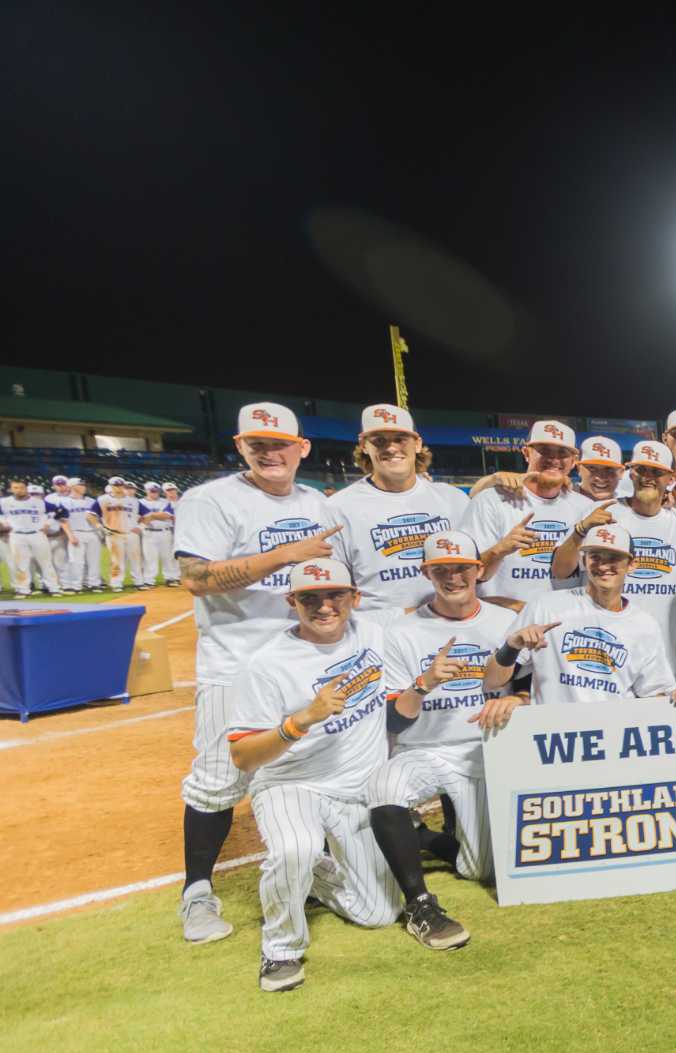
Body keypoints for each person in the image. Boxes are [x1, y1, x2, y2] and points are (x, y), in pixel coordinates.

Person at [224, 559, 469, 992]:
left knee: (376, 913)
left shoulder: (374, 634)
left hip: (357, 790)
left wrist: (424, 683)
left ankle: (317, 873)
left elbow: (397, 714)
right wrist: (300, 721)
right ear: (291, 601)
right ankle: (281, 949)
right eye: (310, 598)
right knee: (295, 848)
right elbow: (243, 757)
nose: (324, 607)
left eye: (335, 595)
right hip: (290, 785)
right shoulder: (264, 664)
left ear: (354, 598)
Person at [172, 403, 341, 946]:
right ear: (240, 447)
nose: (269, 452)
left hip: (298, 661)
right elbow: (196, 578)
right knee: (220, 779)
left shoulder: (316, 500)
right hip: (235, 666)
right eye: (256, 444)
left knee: (302, 765)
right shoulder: (211, 499)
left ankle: (308, 863)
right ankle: (197, 892)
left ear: (302, 447)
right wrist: (283, 555)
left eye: (279, 443)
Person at [364, 531, 519, 898]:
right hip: (424, 750)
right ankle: (418, 901)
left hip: (486, 750)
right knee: (383, 786)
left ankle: (425, 837)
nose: (452, 577)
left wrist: (519, 699)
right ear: (426, 573)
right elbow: (394, 721)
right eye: (441, 570)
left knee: (479, 869)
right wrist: (423, 684)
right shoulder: (401, 632)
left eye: (462, 568)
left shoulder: (505, 621)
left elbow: (529, 683)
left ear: (479, 570)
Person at [487, 524, 676, 706]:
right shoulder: (547, 606)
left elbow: (654, 694)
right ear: (584, 561)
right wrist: (512, 646)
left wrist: (673, 700)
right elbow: (491, 681)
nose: (602, 566)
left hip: (614, 735)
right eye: (595, 557)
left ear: (631, 564)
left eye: (613, 558)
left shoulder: (644, 625)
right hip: (553, 736)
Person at [550, 441, 676, 677]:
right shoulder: (601, 511)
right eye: (641, 470)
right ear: (631, 472)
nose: (647, 477)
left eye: (656, 472)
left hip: (663, 654)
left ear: (670, 478)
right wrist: (580, 531)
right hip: (600, 649)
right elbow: (560, 571)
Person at [328, 405, 470, 620]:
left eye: (400, 439)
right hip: (381, 632)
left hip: (450, 624)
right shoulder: (338, 507)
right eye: (379, 441)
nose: (391, 448)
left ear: (418, 444)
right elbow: (335, 589)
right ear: (363, 445)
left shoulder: (453, 499)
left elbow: (477, 570)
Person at [460, 419, 595, 611]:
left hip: (563, 621)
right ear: (526, 453)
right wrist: (500, 549)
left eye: (562, 453)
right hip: (504, 618)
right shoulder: (491, 501)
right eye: (544, 451)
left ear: (574, 460)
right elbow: (464, 572)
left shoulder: (584, 507)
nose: (554, 459)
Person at [4, 478, 63, 596]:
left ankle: (54, 588)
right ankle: (23, 590)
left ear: (26, 488)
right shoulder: (4, 502)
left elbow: (61, 511)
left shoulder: (39, 502)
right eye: (15, 488)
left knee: (45, 563)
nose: (19, 490)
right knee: (21, 564)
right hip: (17, 535)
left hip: (37, 534)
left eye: (21, 487)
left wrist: (48, 523)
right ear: (11, 489)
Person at [61, 477, 106, 592]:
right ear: (72, 487)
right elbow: (63, 521)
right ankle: (76, 585)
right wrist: (70, 535)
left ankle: (94, 584)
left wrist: (101, 533)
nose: (83, 487)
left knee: (94, 561)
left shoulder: (91, 501)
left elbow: (98, 518)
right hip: (76, 533)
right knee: (76, 562)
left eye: (84, 485)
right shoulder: (65, 502)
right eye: (80, 485)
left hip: (92, 533)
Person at [98, 477, 141, 589]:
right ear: (111, 486)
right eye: (115, 485)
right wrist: (101, 527)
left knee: (135, 559)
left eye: (120, 485)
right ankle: (116, 583)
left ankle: (139, 582)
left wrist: (141, 526)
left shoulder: (133, 501)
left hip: (131, 534)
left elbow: (147, 515)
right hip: (114, 534)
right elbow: (90, 515)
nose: (118, 487)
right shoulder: (102, 500)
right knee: (116, 561)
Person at [138, 481, 178, 587]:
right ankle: (149, 580)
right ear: (146, 491)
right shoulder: (140, 502)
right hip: (148, 533)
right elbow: (138, 518)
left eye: (156, 491)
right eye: (152, 491)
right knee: (150, 558)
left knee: (168, 557)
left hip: (165, 531)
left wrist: (149, 516)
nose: (154, 493)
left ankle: (170, 578)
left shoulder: (166, 502)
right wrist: (156, 515)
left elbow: (167, 515)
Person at [573, 436, 625, 504]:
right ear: (579, 469)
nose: (601, 477)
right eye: (592, 468)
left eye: (609, 469)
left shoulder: (629, 503)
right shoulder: (563, 496)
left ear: (621, 473)